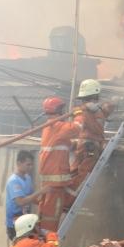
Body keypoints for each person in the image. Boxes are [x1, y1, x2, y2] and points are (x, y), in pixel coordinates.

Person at [38, 96, 82, 232]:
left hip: (51, 183)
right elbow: (77, 127)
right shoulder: (57, 126)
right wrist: (79, 113)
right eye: (62, 109)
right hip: (56, 184)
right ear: (57, 110)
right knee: (51, 219)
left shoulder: (49, 127)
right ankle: (48, 244)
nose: (64, 113)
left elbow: (62, 143)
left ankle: (45, 239)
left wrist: (75, 145)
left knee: (45, 215)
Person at [70, 79, 115, 190]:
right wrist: (86, 107)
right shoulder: (82, 110)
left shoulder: (96, 110)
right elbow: (75, 113)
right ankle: (69, 201)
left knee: (75, 172)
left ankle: (66, 199)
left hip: (88, 145)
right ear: (95, 94)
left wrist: (113, 102)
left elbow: (105, 111)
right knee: (82, 175)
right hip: (88, 146)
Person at [5, 150, 43, 241]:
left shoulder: (27, 178)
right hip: (15, 225)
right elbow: (20, 201)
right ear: (19, 163)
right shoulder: (13, 181)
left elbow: (31, 197)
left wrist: (43, 204)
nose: (30, 167)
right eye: (28, 164)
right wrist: (41, 192)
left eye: (31, 165)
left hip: (25, 221)